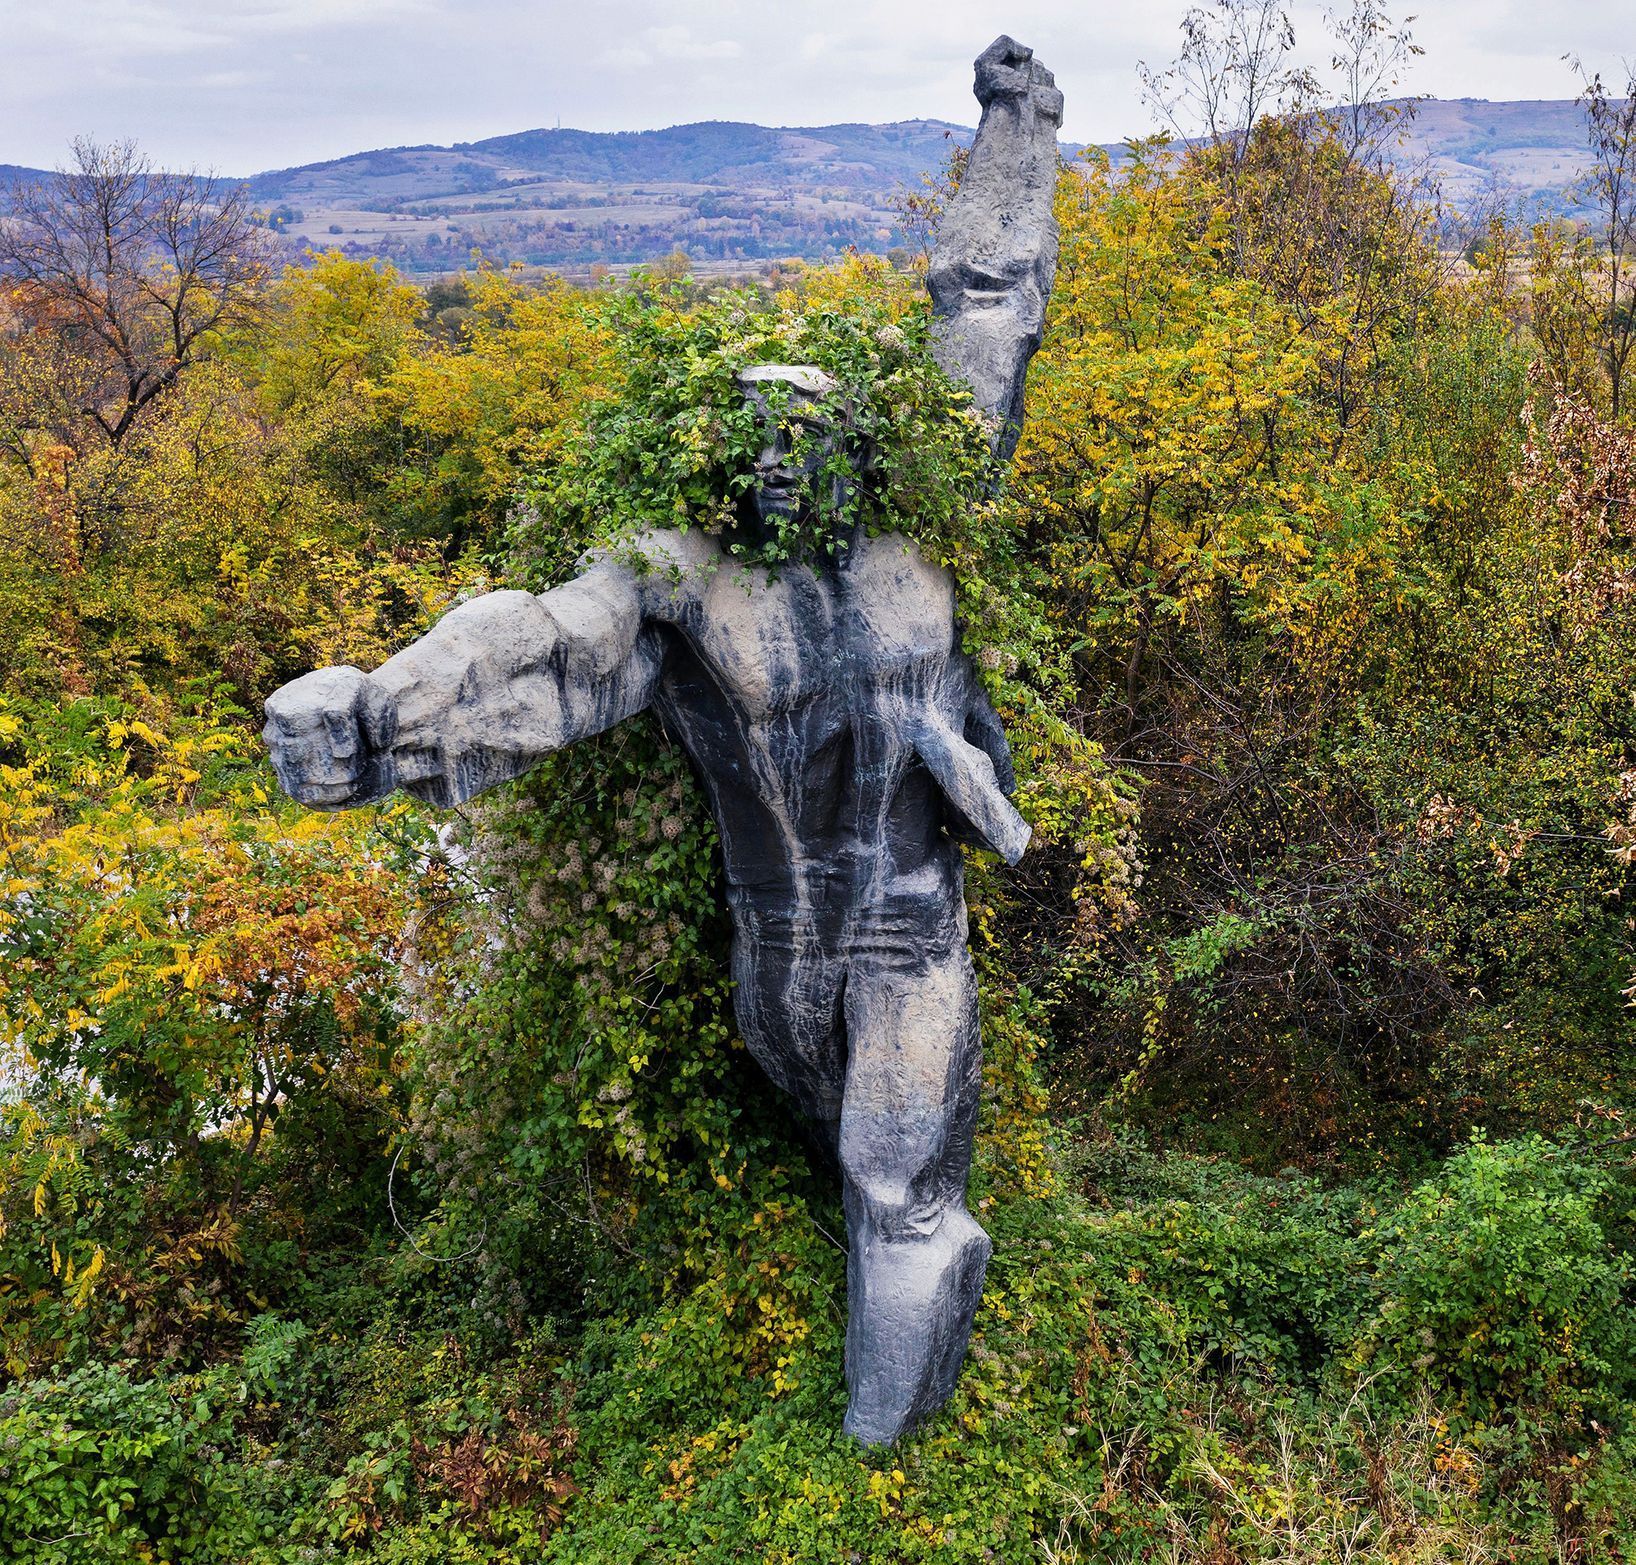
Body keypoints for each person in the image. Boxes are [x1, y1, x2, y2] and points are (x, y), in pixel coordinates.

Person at [262, 35, 1063, 1445]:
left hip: (906, 926)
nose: (777, 457)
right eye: (750, 434)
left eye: (803, 432)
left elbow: (987, 308)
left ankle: (884, 1477)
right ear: (714, 449)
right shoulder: (686, 575)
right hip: (776, 963)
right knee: (855, 1159)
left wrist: (1021, 124)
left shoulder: (922, 521)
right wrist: (384, 713)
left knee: (900, 1193)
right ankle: (866, 1341)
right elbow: (548, 642)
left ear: (859, 442)